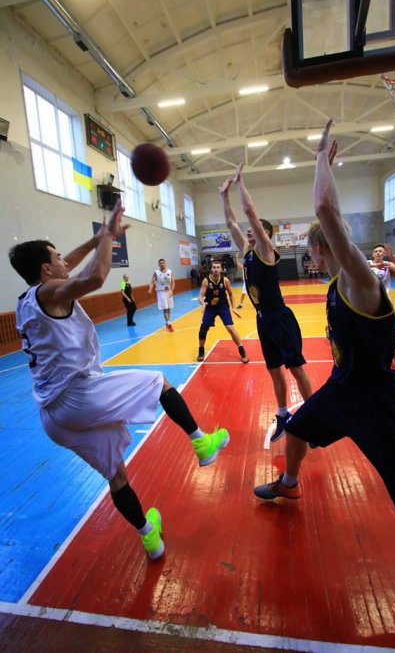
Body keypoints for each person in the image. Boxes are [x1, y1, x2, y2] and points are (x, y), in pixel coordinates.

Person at [254, 119, 395, 555]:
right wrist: (384, 348)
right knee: (296, 429)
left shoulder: (358, 279)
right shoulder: (334, 288)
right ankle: (289, 484)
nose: (311, 257)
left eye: (314, 249)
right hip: (342, 389)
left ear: (321, 247)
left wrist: (321, 160)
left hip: (375, 405)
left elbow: (326, 209)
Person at [9, 201, 230, 562]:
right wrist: (109, 240)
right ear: (46, 269)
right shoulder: (48, 293)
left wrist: (97, 238)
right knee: (160, 382)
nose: (65, 260)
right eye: (58, 257)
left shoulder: (26, 300)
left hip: (52, 416)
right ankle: (201, 443)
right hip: (76, 394)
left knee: (117, 476)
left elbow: (70, 266)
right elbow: (94, 278)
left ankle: (149, 537)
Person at [220, 165, 315, 443]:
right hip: (263, 319)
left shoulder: (265, 250)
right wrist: (224, 196)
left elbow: (249, 212)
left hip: (279, 317)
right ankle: (283, 414)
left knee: (296, 369)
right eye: (250, 228)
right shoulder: (247, 252)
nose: (249, 229)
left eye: (256, 228)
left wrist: (240, 183)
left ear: (265, 233)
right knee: (274, 370)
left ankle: (314, 417)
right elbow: (231, 223)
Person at [197, 258, 249, 363]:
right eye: (214, 267)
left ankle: (241, 348)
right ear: (211, 269)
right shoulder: (206, 281)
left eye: (218, 267)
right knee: (203, 329)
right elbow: (200, 296)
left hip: (223, 307)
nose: (216, 269)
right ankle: (201, 349)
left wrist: (233, 308)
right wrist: (202, 303)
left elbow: (231, 294)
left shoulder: (225, 280)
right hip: (210, 307)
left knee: (230, 328)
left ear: (221, 269)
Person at [368, 243, 395, 362]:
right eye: (376, 251)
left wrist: (392, 257)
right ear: (373, 254)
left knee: (393, 322)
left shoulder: (387, 264)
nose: (378, 253)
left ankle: (394, 347)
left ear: (384, 254)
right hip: (370, 299)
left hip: (385, 299)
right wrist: (374, 266)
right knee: (370, 324)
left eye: (381, 251)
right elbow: (357, 267)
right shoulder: (368, 263)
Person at [148, 258, 175, 332]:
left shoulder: (170, 272)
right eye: (160, 263)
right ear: (158, 264)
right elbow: (152, 282)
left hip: (168, 292)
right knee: (165, 309)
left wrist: (172, 291)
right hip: (161, 292)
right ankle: (169, 324)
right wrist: (150, 289)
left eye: (163, 263)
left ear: (165, 263)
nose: (162, 264)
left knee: (168, 308)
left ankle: (168, 322)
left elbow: (173, 282)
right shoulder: (156, 272)